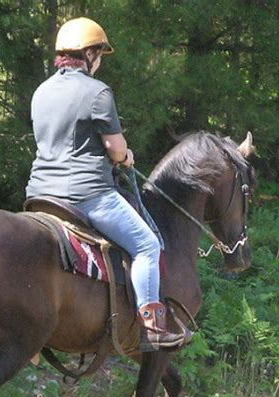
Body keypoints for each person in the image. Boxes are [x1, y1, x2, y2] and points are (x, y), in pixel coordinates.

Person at [26, 17, 183, 350]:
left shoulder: (41, 92)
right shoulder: (97, 92)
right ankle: (152, 326)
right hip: (87, 196)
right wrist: (125, 157)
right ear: (90, 54)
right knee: (146, 246)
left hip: (39, 195)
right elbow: (114, 147)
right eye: (99, 54)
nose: (99, 61)